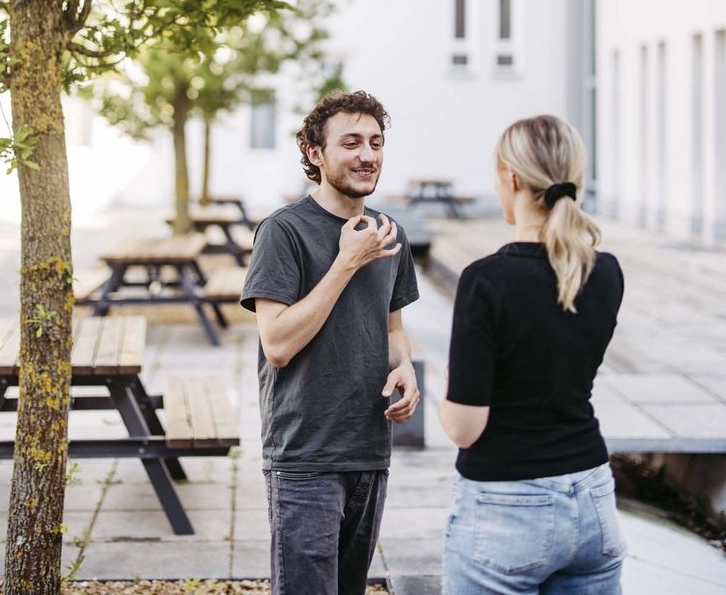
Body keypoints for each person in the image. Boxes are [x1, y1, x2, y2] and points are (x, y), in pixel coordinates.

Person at [240, 90, 421, 595]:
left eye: (376, 142)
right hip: (305, 457)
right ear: (316, 154)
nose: (368, 155)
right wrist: (346, 262)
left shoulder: (389, 233)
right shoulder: (283, 232)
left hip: (369, 449)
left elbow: (391, 329)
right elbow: (276, 343)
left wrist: (404, 366)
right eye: (352, 142)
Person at [440, 115, 627, 594]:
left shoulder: (485, 281)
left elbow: (465, 427)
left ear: (513, 178)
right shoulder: (605, 272)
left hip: (507, 508)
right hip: (592, 496)